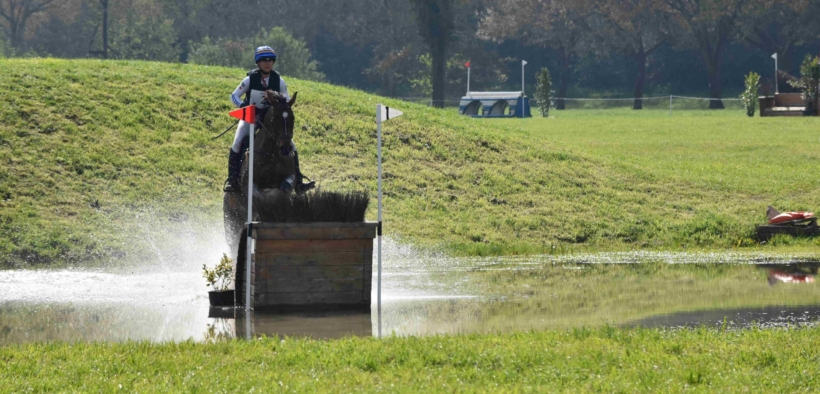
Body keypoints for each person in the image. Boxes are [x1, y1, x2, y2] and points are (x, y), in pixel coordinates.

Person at [224, 45, 314, 193]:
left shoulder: (279, 81)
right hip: (252, 117)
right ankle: (232, 181)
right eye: (264, 60)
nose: (267, 63)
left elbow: (285, 102)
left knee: (292, 146)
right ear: (258, 63)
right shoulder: (249, 79)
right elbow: (233, 96)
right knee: (237, 142)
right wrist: (243, 106)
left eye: (270, 60)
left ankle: (298, 182)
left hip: (272, 120)